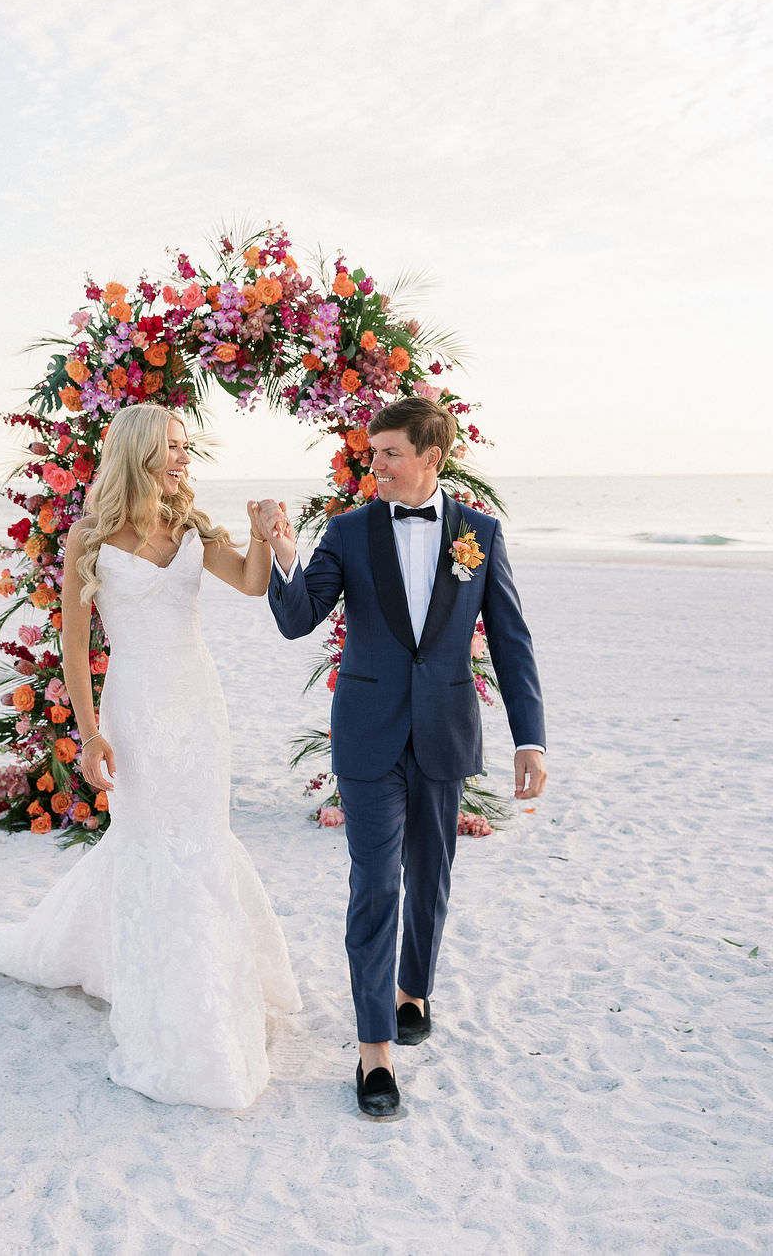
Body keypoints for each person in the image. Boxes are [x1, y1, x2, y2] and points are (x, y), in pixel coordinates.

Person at [0, 403, 300, 1109]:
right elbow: (75, 646)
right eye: (172, 446)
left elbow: (255, 581)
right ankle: (150, 981)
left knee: (201, 839)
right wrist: (89, 731)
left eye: (185, 445)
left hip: (199, 704)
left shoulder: (194, 525)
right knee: (146, 840)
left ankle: (211, 981)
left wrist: (266, 536)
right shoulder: (90, 535)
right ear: (138, 450)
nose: (183, 456)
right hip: (135, 705)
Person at [257, 395, 545, 1118]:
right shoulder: (349, 532)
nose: (373, 464)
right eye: (371, 450)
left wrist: (530, 736)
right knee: (376, 881)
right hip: (367, 734)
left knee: (431, 877)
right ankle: (373, 1050)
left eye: (388, 452)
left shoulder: (479, 533)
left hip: (444, 730)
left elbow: (510, 640)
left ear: (430, 459)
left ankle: (413, 988)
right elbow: (299, 620)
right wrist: (284, 554)